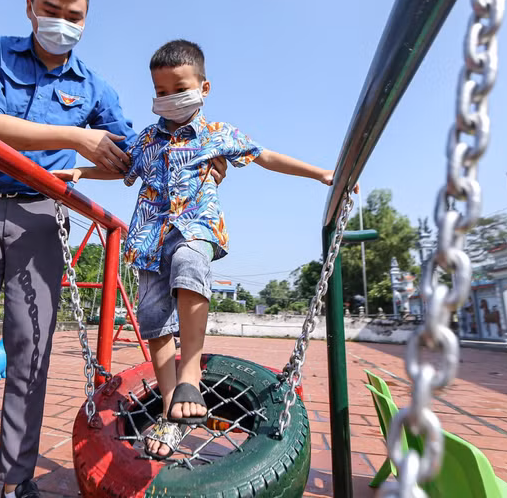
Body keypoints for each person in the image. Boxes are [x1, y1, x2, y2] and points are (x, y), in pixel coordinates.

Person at [0, 0, 228, 498]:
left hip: (41, 218)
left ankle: (16, 482)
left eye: (73, 17)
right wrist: (75, 135)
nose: (61, 23)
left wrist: (196, 155)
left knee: (31, 355)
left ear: (85, 20)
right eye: (51, 11)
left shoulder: (96, 87)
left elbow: (134, 153)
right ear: (30, 7)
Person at [54, 39, 357, 459]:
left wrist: (322, 173)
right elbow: (120, 168)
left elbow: (265, 156)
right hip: (148, 238)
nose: (168, 98)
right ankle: (169, 410)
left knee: (188, 262)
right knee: (154, 320)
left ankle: (191, 373)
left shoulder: (218, 135)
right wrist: (80, 171)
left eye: (178, 88)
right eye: (160, 92)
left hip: (194, 227)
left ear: (203, 88)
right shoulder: (146, 139)